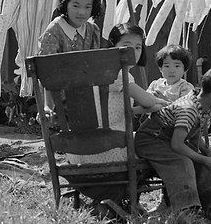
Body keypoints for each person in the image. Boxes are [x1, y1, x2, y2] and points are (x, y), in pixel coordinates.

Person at [134, 65, 211, 222]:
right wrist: (202, 158)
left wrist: (205, 151)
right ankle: (186, 213)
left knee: (200, 162)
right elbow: (177, 145)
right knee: (183, 163)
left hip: (168, 139)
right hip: (151, 139)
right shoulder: (189, 110)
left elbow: (192, 133)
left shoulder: (203, 105)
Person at [67, 23, 168, 167]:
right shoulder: (118, 73)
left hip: (81, 149)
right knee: (159, 145)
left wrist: (154, 106)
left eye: (138, 47)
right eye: (127, 45)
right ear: (113, 47)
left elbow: (121, 111)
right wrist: (165, 103)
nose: (133, 51)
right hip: (109, 148)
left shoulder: (99, 70)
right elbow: (147, 100)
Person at [37, 0, 105, 119]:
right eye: (75, 6)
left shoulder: (92, 30)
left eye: (87, 7)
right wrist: (48, 106)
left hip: (86, 97)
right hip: (60, 100)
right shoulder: (55, 30)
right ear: (65, 3)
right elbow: (47, 71)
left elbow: (94, 66)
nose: (82, 12)